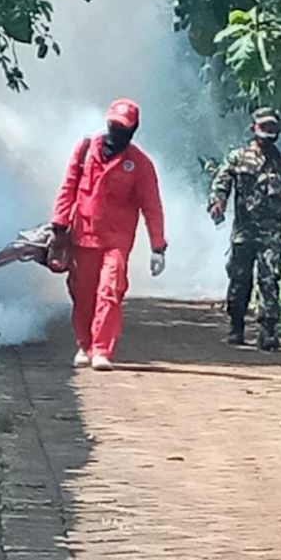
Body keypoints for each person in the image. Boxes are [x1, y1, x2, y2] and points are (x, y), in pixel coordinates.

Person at [48, 98, 167, 371]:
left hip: (117, 241)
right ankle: (84, 344)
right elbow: (68, 188)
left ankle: (101, 350)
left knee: (110, 290)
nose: (117, 131)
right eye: (113, 125)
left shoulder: (140, 164)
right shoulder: (85, 150)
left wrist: (157, 246)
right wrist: (58, 226)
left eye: (123, 127)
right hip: (83, 236)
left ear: (133, 130)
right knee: (82, 293)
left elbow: (152, 206)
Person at [208, 107, 281, 350]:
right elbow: (221, 183)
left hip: (271, 234)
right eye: (264, 126)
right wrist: (217, 203)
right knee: (240, 279)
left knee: (270, 279)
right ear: (253, 128)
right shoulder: (238, 158)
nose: (268, 131)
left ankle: (268, 331)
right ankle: (236, 325)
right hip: (244, 231)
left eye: (273, 127)